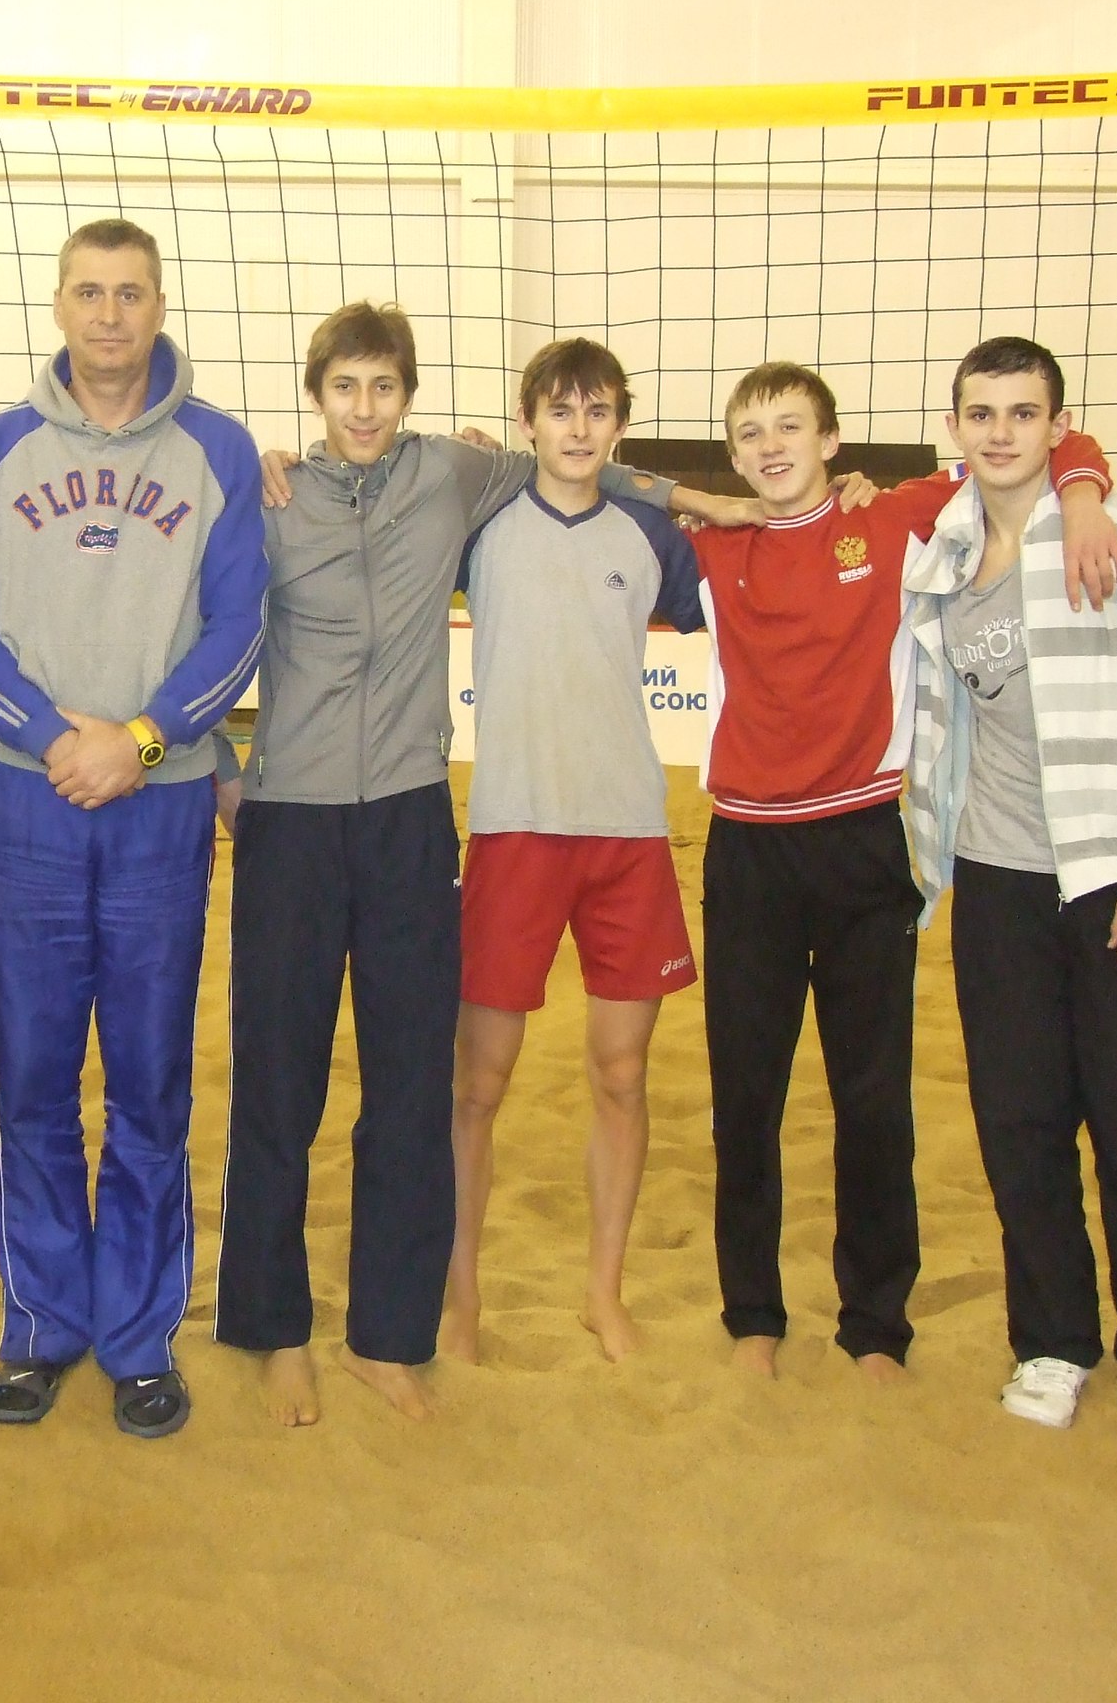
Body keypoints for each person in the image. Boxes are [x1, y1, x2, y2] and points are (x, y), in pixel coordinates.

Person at [218, 307, 717, 1426]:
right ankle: (274, 1330)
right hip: (290, 817)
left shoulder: (449, 475)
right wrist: (212, 765)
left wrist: (706, 497)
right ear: (316, 393)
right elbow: (196, 629)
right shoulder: (269, 499)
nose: (363, 408)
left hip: (408, 816)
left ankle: (389, 1339)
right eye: (344, 387)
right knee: (280, 1085)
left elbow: (583, 464)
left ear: (409, 396)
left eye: (383, 387)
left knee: (406, 1090)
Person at [691, 358, 1117, 1382]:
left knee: (873, 1098)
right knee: (744, 1099)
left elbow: (1036, 445)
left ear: (831, 442)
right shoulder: (709, 543)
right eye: (749, 433)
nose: (770, 447)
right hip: (747, 848)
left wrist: (1084, 496)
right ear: (734, 456)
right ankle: (753, 1314)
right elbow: (590, 482)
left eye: (789, 426)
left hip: (862, 843)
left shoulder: (890, 520)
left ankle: (876, 1323)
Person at [0, 216, 267, 1438]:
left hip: (158, 804)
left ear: (159, 306)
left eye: (129, 293)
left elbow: (238, 626)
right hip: (27, 799)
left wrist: (145, 741)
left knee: (148, 1079)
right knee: (29, 1076)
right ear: (60, 304)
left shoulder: (218, 450)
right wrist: (50, 734)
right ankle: (38, 1328)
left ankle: (135, 1336)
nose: (109, 314)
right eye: (89, 292)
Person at [901, 336, 1117, 1443]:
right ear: (954, 428)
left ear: (1057, 425)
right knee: (1021, 1125)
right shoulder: (940, 549)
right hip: (995, 882)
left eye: (1022, 413)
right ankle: (1050, 1342)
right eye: (980, 413)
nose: (1000, 432)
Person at [443, 337, 714, 1370]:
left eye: (597, 411)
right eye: (559, 410)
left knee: (621, 1072)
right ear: (527, 423)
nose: (578, 428)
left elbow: (753, 589)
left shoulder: (649, 531)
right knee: (479, 1084)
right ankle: (462, 1296)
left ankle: (604, 1293)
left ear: (619, 427)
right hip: (514, 827)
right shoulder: (480, 520)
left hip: (626, 831)